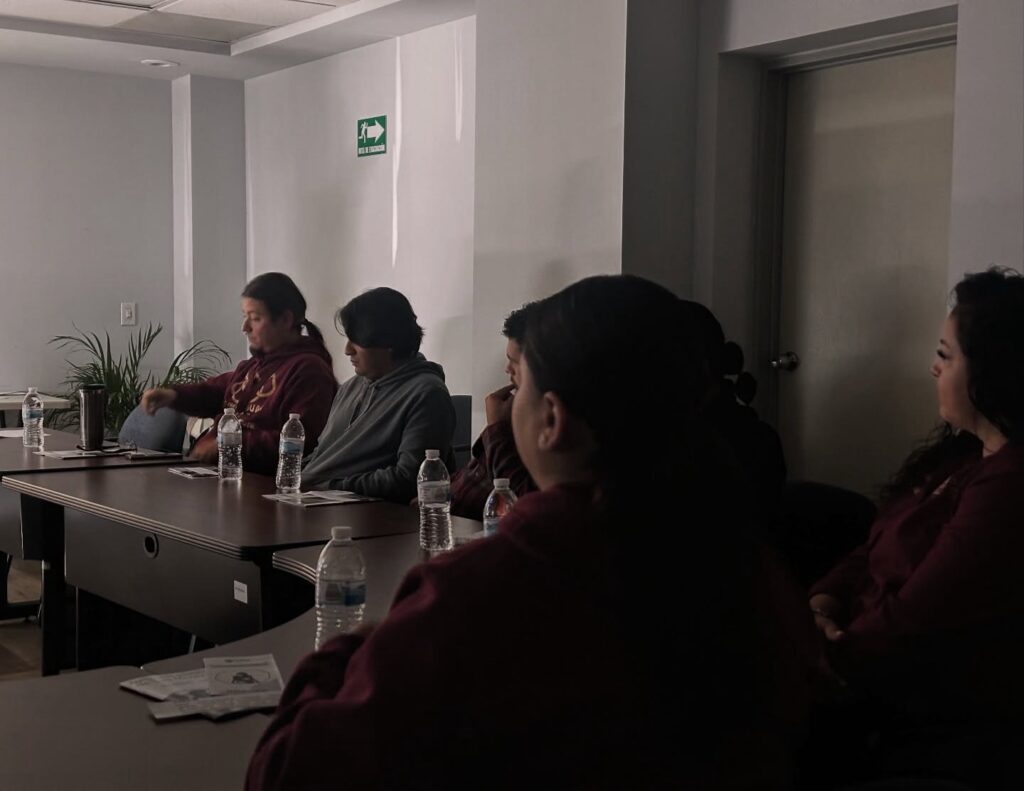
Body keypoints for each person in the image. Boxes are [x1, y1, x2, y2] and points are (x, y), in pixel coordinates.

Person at [246, 275, 815, 790]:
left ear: (553, 420)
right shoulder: (756, 574)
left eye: (520, 388)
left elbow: (290, 772)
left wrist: (352, 649)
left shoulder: (480, 594)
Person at [805, 267, 1024, 788]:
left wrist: (820, 655)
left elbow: (916, 619)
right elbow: (871, 547)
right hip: (858, 659)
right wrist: (821, 604)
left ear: (990, 372)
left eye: (946, 355)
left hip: (917, 707)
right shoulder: (962, 454)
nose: (932, 367)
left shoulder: (1009, 484)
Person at [140, 272, 336, 476]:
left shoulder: (310, 372)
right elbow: (213, 391)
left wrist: (227, 444)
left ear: (286, 319)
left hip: (259, 482)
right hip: (219, 473)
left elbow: (299, 441)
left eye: (255, 318)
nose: (245, 327)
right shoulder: (253, 366)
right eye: (245, 317)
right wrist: (173, 395)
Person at [300, 287, 455, 504]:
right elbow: (323, 454)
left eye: (356, 341)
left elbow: (409, 478)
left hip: (365, 513)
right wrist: (294, 478)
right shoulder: (350, 387)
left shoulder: (427, 394)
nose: (347, 350)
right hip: (314, 498)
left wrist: (333, 487)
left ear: (388, 342)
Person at [450, 303, 536, 518]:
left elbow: (520, 503)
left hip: (479, 528)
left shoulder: (546, 425)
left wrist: (497, 427)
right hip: (450, 516)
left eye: (514, 361)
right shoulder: (515, 410)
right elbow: (475, 472)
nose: (507, 369)